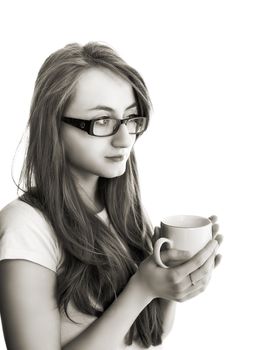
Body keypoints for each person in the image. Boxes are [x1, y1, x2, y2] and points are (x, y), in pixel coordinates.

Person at [0, 42, 222, 350]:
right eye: (102, 121)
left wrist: (172, 283)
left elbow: (150, 336)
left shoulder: (122, 210)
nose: (124, 139)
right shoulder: (26, 226)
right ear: (53, 127)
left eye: (130, 119)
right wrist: (141, 288)